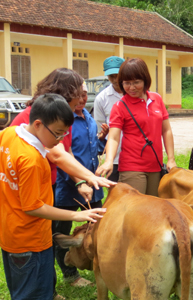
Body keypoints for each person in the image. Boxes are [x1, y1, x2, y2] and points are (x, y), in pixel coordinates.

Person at [0, 94, 107, 300]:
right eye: (58, 134)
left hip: (11, 234)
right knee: (35, 294)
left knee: (21, 291)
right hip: (31, 241)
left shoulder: (10, 134)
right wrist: (76, 216)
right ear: (38, 124)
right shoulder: (31, 159)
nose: (60, 140)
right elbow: (32, 207)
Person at [11, 68, 114, 197]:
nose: (74, 109)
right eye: (73, 105)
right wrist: (90, 176)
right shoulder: (37, 115)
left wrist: (81, 182)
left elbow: (67, 152)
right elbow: (56, 154)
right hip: (24, 185)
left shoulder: (62, 116)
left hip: (46, 182)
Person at [53, 83, 107, 287]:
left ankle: (99, 264)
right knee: (62, 232)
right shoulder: (63, 119)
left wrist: (102, 139)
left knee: (100, 227)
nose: (82, 99)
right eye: (78, 95)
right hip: (69, 187)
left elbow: (93, 148)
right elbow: (62, 156)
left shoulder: (89, 117)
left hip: (92, 187)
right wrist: (79, 182)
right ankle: (70, 274)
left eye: (85, 95)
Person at [97, 58, 176, 196]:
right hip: (132, 167)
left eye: (136, 82)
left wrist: (171, 158)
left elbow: (166, 130)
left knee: (154, 210)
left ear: (145, 80)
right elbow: (114, 137)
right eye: (127, 83)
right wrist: (109, 161)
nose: (131, 88)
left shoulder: (156, 99)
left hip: (156, 166)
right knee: (136, 210)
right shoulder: (120, 106)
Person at [94, 56, 125, 182]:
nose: (115, 79)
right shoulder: (102, 98)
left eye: (118, 75)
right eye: (111, 76)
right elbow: (99, 128)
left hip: (137, 158)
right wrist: (103, 134)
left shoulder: (136, 94)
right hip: (115, 158)